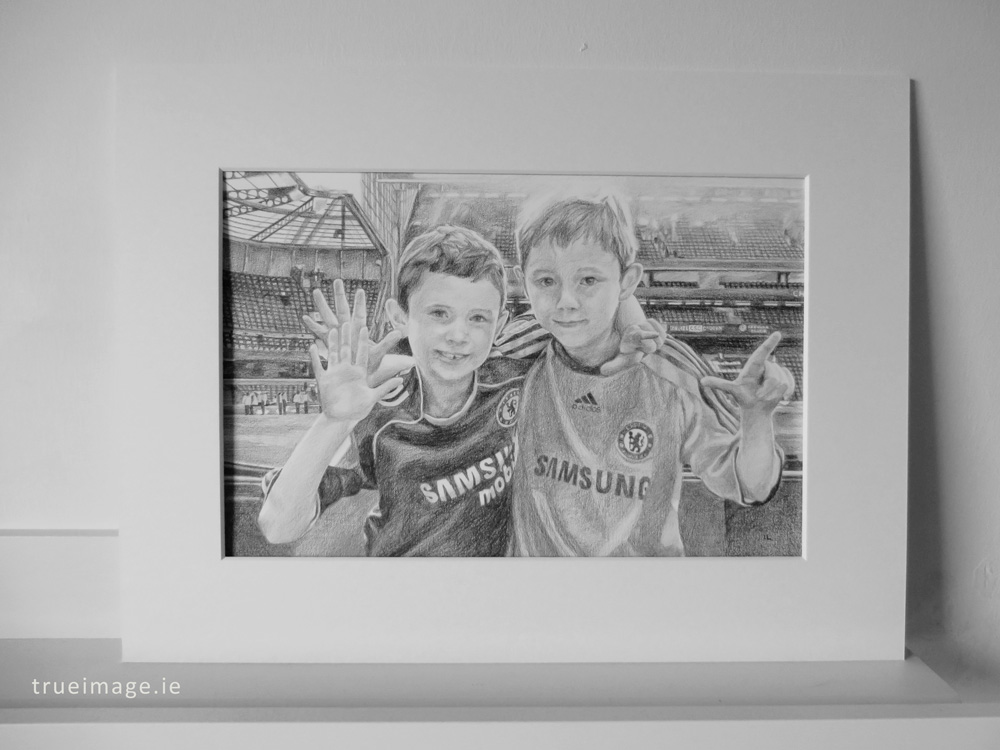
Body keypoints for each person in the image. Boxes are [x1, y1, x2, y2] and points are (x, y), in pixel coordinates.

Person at [509, 193, 795, 556]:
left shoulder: (670, 372)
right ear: (523, 282)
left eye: (589, 280)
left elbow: (751, 486)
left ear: (627, 282)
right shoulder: (517, 356)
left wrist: (756, 417)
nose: (566, 300)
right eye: (546, 281)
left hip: (644, 595)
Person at [257, 226, 532, 556]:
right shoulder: (383, 408)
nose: (459, 334)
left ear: (499, 324)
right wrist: (334, 421)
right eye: (439, 313)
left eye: (478, 318)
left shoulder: (512, 381)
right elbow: (279, 526)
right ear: (399, 318)